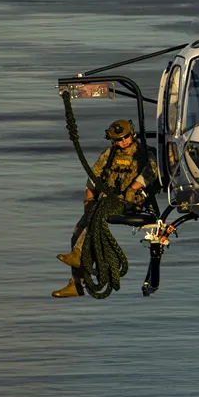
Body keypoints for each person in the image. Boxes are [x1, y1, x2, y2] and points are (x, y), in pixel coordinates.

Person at [51, 119, 155, 298]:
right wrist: (89, 198)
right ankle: (77, 282)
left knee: (97, 217)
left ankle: (78, 253)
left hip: (129, 201)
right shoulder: (110, 154)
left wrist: (133, 188)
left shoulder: (143, 152)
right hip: (106, 198)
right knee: (78, 231)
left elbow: (152, 171)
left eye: (126, 137)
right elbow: (93, 175)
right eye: (119, 139)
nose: (124, 142)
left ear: (132, 134)